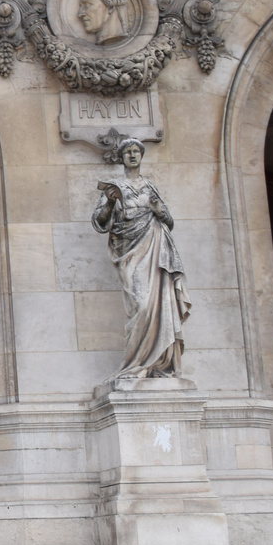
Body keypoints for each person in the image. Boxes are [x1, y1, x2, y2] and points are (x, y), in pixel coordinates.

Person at [93, 137, 192, 380]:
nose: (133, 155)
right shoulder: (113, 186)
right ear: (122, 157)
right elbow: (99, 221)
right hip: (129, 250)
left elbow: (168, 222)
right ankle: (134, 364)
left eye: (137, 151)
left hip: (155, 247)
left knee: (160, 304)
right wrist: (111, 201)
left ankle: (159, 364)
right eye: (128, 152)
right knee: (141, 305)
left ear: (141, 155)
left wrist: (160, 211)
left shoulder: (149, 186)